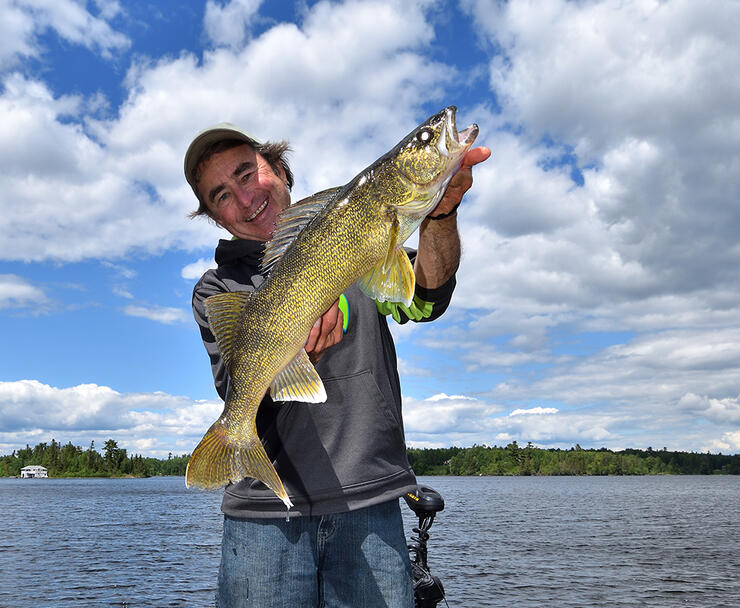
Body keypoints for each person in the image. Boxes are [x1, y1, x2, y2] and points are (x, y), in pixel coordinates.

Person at [184, 121, 490, 608]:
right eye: (221, 194)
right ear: (216, 218)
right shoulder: (216, 289)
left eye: (247, 174)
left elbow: (427, 299)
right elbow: (235, 387)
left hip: (369, 499)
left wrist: (442, 212)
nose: (244, 199)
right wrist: (297, 353)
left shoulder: (362, 241)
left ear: (280, 169)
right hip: (263, 517)